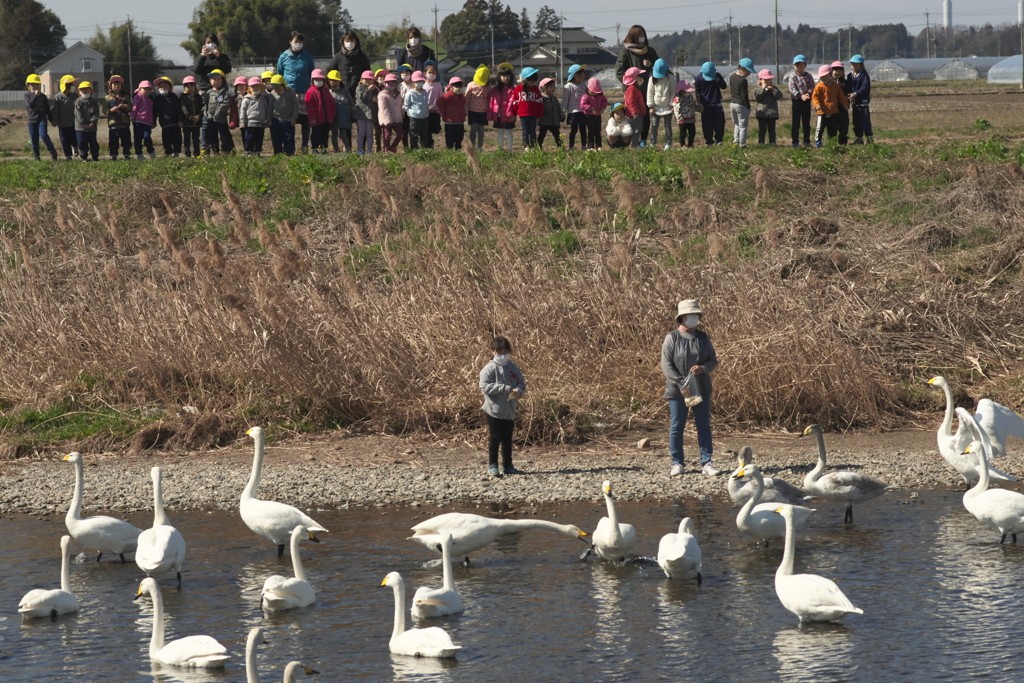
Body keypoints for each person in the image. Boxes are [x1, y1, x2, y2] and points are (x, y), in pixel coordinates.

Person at [661, 300, 719, 478]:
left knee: (703, 426)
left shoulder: (703, 338)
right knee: (677, 426)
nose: (694, 318)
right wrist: (682, 383)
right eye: (690, 315)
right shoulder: (671, 338)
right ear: (682, 317)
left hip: (701, 387)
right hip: (677, 389)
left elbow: (712, 360)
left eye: (696, 315)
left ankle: (707, 462)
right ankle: (677, 463)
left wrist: (703, 368)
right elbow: (666, 365)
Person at [479, 336, 527, 477]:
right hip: (493, 409)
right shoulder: (489, 368)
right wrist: (503, 388)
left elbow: (521, 383)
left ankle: (508, 466)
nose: (503, 355)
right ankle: (493, 465)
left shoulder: (513, 368)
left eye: (506, 352)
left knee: (507, 438)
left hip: (510, 410)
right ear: (492, 352)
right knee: (495, 437)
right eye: (499, 352)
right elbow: (485, 387)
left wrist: (519, 391)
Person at [615, 25, 659, 146]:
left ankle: (643, 139)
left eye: (643, 35)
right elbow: (619, 72)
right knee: (633, 115)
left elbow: (659, 67)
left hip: (647, 89)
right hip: (632, 91)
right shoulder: (626, 52)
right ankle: (632, 140)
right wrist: (631, 81)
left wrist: (650, 64)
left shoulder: (650, 51)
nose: (642, 38)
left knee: (645, 113)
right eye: (639, 36)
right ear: (633, 37)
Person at [191, 34, 232, 152]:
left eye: (213, 42)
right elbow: (197, 70)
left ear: (217, 45)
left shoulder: (222, 56)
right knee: (206, 121)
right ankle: (206, 147)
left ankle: (226, 148)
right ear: (204, 45)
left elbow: (228, 69)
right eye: (208, 42)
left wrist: (218, 57)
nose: (210, 44)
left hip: (220, 90)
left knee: (220, 120)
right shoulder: (201, 58)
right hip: (205, 90)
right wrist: (202, 56)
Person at [277, 31, 315, 153]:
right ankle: (290, 147)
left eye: (300, 42)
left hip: (304, 93)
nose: (297, 44)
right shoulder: (283, 57)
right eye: (295, 42)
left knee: (305, 122)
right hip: (289, 93)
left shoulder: (308, 57)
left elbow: (312, 74)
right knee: (289, 122)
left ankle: (305, 146)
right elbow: (280, 74)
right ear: (290, 42)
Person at [812, 64, 849, 146]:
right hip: (822, 112)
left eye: (825, 76)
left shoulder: (835, 86)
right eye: (821, 77)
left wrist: (845, 104)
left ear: (830, 75)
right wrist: (817, 105)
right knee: (820, 128)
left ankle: (831, 142)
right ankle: (818, 141)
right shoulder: (818, 87)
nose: (823, 78)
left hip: (833, 111)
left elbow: (841, 96)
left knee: (832, 128)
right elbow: (815, 97)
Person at [327, 30, 372, 97]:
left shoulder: (362, 57)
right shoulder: (337, 57)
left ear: (356, 42)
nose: (349, 43)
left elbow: (368, 74)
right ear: (343, 42)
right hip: (341, 93)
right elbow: (331, 74)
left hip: (359, 93)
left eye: (352, 41)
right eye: (347, 41)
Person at [24, 74, 57, 161]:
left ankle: (53, 152)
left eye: (37, 84)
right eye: (33, 84)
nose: (35, 86)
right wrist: (35, 95)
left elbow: (47, 109)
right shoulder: (27, 95)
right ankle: (36, 156)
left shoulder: (43, 96)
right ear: (28, 85)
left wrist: (51, 119)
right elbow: (30, 105)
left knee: (43, 135)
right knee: (34, 139)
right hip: (32, 121)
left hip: (42, 119)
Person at [694, 62, 727, 146]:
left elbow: (724, 86)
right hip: (706, 106)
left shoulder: (717, 76)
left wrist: (718, 80)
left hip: (717, 105)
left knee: (719, 124)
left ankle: (719, 140)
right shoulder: (699, 78)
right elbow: (697, 93)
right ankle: (709, 141)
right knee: (707, 125)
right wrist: (699, 105)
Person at [646, 59, 676, 150]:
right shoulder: (652, 79)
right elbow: (650, 93)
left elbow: (673, 92)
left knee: (668, 126)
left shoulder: (671, 78)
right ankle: (652, 142)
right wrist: (650, 106)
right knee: (654, 125)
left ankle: (668, 143)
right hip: (656, 107)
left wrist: (672, 105)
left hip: (667, 106)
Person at [240, 76, 273, 156]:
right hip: (250, 122)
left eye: (257, 86)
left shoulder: (264, 98)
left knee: (259, 138)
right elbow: (243, 111)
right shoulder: (246, 99)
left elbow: (268, 110)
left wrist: (268, 120)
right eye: (253, 87)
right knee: (249, 138)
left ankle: (257, 151)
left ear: (261, 87)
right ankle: (249, 152)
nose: (255, 88)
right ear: (249, 88)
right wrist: (243, 121)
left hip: (261, 122)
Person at [203, 69, 234, 154]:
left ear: (223, 80)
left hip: (220, 118)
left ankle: (228, 150)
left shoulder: (224, 91)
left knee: (224, 135)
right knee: (212, 135)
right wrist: (206, 113)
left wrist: (218, 112)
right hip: (210, 118)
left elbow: (226, 103)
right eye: (214, 78)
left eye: (219, 79)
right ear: (210, 80)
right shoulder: (208, 92)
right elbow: (205, 104)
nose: (216, 81)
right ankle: (215, 151)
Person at [786, 55, 814, 148]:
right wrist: (800, 95)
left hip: (806, 101)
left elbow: (812, 86)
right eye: (797, 65)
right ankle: (795, 142)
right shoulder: (792, 76)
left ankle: (806, 141)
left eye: (801, 65)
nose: (799, 67)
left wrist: (808, 94)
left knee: (806, 123)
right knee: (796, 123)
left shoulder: (809, 76)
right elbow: (792, 88)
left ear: (805, 66)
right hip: (797, 101)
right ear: (794, 66)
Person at [305, 69, 335, 154]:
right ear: (312, 80)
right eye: (316, 79)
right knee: (316, 134)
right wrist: (312, 118)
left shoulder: (326, 91)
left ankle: (324, 148)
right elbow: (309, 107)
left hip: (327, 118)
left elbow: (331, 104)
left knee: (325, 134)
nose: (319, 81)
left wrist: (332, 115)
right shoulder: (310, 92)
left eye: (320, 79)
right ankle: (314, 148)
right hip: (317, 119)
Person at [511, 67, 543, 149]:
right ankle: (526, 146)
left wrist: (540, 113)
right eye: (532, 80)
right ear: (526, 79)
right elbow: (515, 101)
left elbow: (540, 101)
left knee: (533, 131)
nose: (534, 82)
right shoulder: (518, 88)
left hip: (534, 114)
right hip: (523, 114)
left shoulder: (536, 89)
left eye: (535, 80)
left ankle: (533, 146)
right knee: (525, 131)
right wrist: (515, 112)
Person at [49, 75, 79, 160]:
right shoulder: (58, 97)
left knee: (74, 138)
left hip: (74, 122)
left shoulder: (75, 96)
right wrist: (54, 119)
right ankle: (68, 155)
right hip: (63, 123)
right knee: (65, 140)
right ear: (67, 85)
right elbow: (55, 110)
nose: (74, 86)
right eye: (72, 84)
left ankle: (75, 147)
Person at [488, 63, 517, 152]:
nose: (506, 78)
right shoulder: (495, 89)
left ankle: (509, 148)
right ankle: (500, 148)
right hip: (498, 114)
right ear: (499, 77)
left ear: (511, 77)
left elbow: (513, 103)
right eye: (503, 76)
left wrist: (512, 114)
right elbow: (491, 103)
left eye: (508, 76)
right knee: (500, 131)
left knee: (508, 131)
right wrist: (491, 115)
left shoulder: (513, 89)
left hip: (508, 115)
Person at [103, 75, 132, 161]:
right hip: (113, 125)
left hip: (124, 124)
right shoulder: (107, 98)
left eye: (119, 85)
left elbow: (131, 107)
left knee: (126, 141)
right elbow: (104, 109)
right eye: (114, 85)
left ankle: (127, 154)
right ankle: (114, 155)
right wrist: (111, 110)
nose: (117, 87)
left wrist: (125, 106)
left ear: (121, 86)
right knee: (113, 142)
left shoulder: (126, 97)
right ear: (110, 86)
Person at [269, 74, 299, 156]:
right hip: (276, 119)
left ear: (283, 85)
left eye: (278, 88)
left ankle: (289, 152)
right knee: (276, 137)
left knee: (288, 137)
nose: (276, 90)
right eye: (274, 88)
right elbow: (270, 108)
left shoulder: (291, 92)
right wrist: (269, 120)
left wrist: (294, 117)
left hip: (288, 120)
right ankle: (278, 153)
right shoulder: (272, 94)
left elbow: (295, 106)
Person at [153, 77, 182, 157]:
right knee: (166, 140)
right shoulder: (157, 99)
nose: (163, 88)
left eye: (165, 86)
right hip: (165, 124)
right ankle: (168, 152)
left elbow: (178, 109)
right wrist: (153, 122)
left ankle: (176, 152)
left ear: (170, 87)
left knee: (177, 139)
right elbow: (154, 111)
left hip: (175, 123)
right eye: (160, 86)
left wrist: (180, 120)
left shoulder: (174, 97)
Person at [753, 69, 783, 146]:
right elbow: (758, 96)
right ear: (760, 80)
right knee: (762, 129)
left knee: (772, 129)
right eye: (765, 80)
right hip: (762, 112)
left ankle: (772, 141)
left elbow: (780, 96)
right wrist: (763, 88)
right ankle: (761, 142)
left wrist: (773, 90)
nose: (767, 82)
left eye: (769, 79)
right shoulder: (758, 89)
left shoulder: (774, 88)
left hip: (772, 113)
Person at [848, 54, 873, 144]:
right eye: (852, 64)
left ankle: (869, 138)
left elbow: (864, 87)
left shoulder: (864, 75)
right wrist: (850, 96)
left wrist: (855, 94)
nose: (854, 66)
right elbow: (849, 87)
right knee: (856, 121)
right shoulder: (849, 76)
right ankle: (859, 138)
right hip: (855, 103)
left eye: (856, 64)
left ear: (861, 65)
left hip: (863, 102)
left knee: (865, 121)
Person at [465, 65, 491, 152]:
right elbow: (466, 98)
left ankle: (480, 147)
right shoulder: (471, 85)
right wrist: (465, 109)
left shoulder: (488, 86)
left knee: (481, 129)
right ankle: (472, 146)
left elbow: (490, 98)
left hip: (483, 111)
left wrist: (490, 110)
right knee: (473, 128)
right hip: (472, 110)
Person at [730, 58, 754, 148]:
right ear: (742, 68)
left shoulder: (732, 76)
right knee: (743, 126)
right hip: (741, 104)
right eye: (748, 71)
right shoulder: (743, 80)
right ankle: (742, 144)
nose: (749, 73)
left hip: (732, 103)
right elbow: (744, 95)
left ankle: (736, 141)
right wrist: (748, 106)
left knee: (736, 124)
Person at [437, 77, 466, 150]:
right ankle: (449, 150)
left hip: (460, 121)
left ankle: (458, 149)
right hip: (450, 122)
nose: (458, 88)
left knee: (459, 138)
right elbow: (439, 102)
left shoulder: (462, 96)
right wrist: (444, 111)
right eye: (456, 86)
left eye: (460, 86)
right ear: (451, 87)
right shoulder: (448, 95)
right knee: (450, 138)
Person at [74, 81, 101, 161]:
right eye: (82, 90)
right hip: (80, 128)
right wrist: (83, 123)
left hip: (92, 127)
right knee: (82, 142)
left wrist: (93, 122)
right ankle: (84, 156)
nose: (85, 91)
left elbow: (96, 113)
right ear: (79, 91)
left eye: (87, 89)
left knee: (93, 142)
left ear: (91, 90)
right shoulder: (78, 101)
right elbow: (78, 114)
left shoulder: (94, 102)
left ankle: (95, 156)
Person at [562, 63, 587, 150]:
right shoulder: (568, 86)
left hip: (583, 112)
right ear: (576, 75)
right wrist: (563, 112)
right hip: (573, 112)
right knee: (574, 130)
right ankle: (571, 146)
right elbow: (565, 100)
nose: (584, 76)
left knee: (583, 129)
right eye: (583, 74)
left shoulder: (584, 85)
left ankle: (584, 146)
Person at [378, 73, 404, 153]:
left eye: (393, 83)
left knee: (401, 134)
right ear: (384, 84)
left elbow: (401, 106)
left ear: (396, 84)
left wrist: (401, 116)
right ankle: (387, 149)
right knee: (387, 136)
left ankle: (392, 147)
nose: (391, 84)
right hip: (387, 120)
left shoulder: (399, 94)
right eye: (388, 83)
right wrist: (387, 120)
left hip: (397, 119)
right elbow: (383, 108)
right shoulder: (382, 95)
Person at [130, 81, 156, 160]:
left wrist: (153, 122)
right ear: (140, 89)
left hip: (147, 123)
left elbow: (153, 112)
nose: (146, 90)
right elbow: (135, 107)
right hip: (138, 121)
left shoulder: (150, 99)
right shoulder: (138, 96)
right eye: (144, 89)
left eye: (148, 89)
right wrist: (132, 117)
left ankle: (150, 151)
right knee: (138, 139)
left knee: (147, 137)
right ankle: (139, 154)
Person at [328, 70, 353, 153]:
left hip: (343, 116)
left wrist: (352, 111)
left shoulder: (344, 90)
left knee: (343, 134)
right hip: (334, 116)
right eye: (333, 80)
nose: (335, 83)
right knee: (334, 134)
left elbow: (351, 101)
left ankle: (347, 148)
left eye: (337, 81)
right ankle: (337, 150)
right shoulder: (328, 92)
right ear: (329, 81)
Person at [404, 70, 430, 150]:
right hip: (414, 118)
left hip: (424, 117)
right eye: (417, 81)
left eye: (421, 81)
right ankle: (414, 149)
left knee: (424, 135)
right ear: (413, 82)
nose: (420, 83)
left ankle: (424, 149)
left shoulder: (425, 92)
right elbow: (406, 105)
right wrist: (410, 114)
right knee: (413, 134)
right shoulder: (410, 93)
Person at [353, 70, 377, 155]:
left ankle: (370, 149)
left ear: (373, 80)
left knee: (370, 133)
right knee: (361, 132)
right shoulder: (359, 88)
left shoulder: (375, 89)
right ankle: (360, 148)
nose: (367, 81)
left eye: (370, 79)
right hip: (361, 113)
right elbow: (363, 98)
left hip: (370, 114)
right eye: (365, 79)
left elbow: (375, 100)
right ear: (361, 79)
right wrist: (368, 90)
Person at [622, 67, 647, 148]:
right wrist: (635, 112)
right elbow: (631, 101)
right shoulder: (632, 89)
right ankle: (635, 144)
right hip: (635, 114)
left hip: (638, 114)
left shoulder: (634, 88)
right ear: (635, 78)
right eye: (640, 76)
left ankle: (636, 144)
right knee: (636, 130)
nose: (641, 78)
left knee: (638, 129)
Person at [580, 78, 608, 151]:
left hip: (598, 115)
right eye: (593, 91)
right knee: (591, 131)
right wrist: (590, 108)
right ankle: (590, 146)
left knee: (598, 131)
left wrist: (603, 107)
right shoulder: (585, 96)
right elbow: (582, 105)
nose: (595, 93)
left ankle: (599, 145)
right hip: (589, 116)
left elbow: (605, 101)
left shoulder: (601, 95)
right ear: (588, 89)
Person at [180, 76, 203, 158]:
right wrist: (190, 117)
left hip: (197, 123)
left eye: (192, 86)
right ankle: (187, 153)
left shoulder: (198, 96)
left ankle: (197, 153)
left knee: (196, 138)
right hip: (187, 122)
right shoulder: (183, 96)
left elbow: (201, 107)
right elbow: (183, 108)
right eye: (187, 86)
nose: (190, 88)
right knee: (187, 139)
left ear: (195, 86)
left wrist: (199, 116)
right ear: (184, 87)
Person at [672, 80, 698, 148]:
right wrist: (680, 119)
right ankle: (683, 144)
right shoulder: (677, 99)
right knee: (683, 133)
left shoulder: (690, 97)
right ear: (681, 91)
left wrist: (698, 108)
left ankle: (690, 144)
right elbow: (677, 110)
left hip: (691, 118)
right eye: (686, 91)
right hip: (683, 119)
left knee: (692, 132)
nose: (688, 92)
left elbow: (693, 105)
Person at [537, 77, 562, 149]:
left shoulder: (554, 98)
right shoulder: (541, 98)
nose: (553, 88)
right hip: (544, 121)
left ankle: (560, 147)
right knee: (542, 135)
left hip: (553, 121)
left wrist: (561, 114)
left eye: (554, 86)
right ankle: (538, 147)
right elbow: (542, 108)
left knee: (557, 135)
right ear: (544, 88)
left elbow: (558, 107)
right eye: (551, 86)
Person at [423, 61, 442, 148]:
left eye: (433, 73)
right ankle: (428, 145)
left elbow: (440, 98)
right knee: (426, 130)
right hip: (425, 112)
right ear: (425, 73)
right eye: (430, 72)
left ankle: (430, 143)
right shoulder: (423, 85)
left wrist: (441, 110)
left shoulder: (438, 86)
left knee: (435, 129)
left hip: (435, 111)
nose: (432, 74)